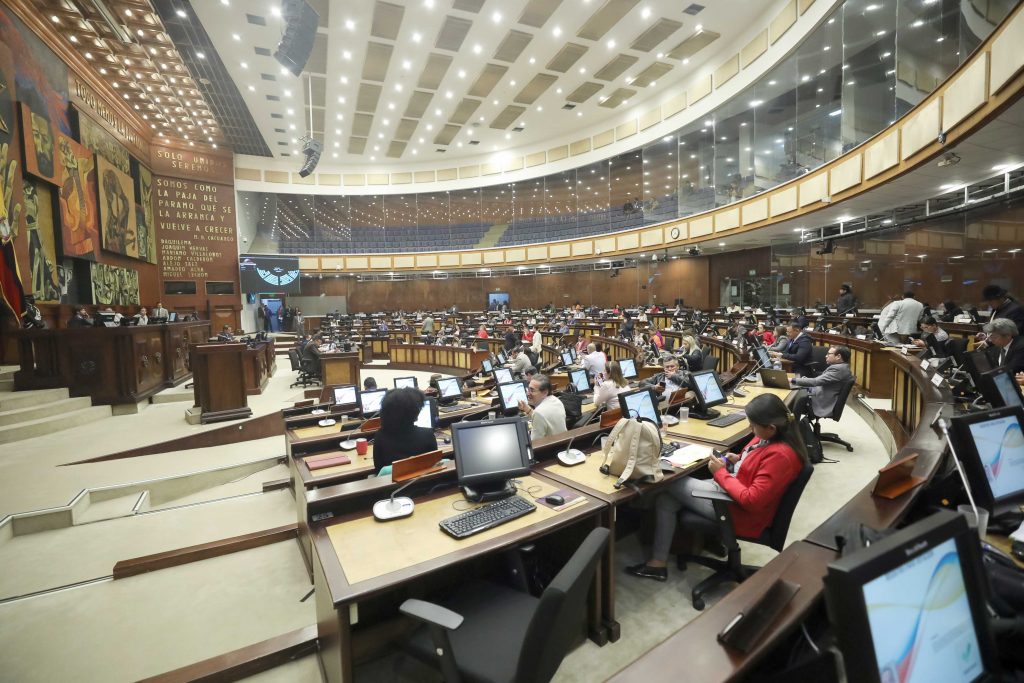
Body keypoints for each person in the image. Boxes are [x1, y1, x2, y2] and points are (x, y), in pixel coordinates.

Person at [625, 394, 807, 581]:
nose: (750, 428)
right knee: (666, 499)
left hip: (736, 509)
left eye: (753, 425)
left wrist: (720, 473)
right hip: (730, 491)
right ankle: (658, 564)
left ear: (771, 428)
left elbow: (752, 500)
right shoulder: (770, 437)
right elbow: (753, 460)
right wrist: (736, 459)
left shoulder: (781, 456)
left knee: (670, 479)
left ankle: (638, 502)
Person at [372, 388, 439, 472]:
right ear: (415, 414)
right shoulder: (428, 435)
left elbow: (378, 470)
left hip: (393, 485)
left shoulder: (380, 437)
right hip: (426, 484)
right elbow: (435, 467)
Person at [791, 345, 854, 419]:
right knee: (797, 389)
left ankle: (793, 426)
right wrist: (803, 380)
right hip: (819, 393)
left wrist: (792, 380)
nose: (826, 356)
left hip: (820, 401)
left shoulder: (838, 370)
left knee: (794, 398)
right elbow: (820, 380)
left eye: (828, 354)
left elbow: (815, 381)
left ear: (838, 356)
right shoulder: (842, 367)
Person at [518, 374, 566, 440]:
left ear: (545, 392)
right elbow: (543, 418)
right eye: (528, 389)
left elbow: (535, 443)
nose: (528, 394)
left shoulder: (539, 413)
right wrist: (526, 409)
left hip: (550, 448)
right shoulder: (556, 401)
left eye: (532, 390)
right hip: (562, 444)